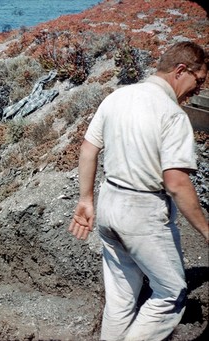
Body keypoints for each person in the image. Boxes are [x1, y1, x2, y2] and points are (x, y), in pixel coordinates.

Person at [68, 41, 208, 340]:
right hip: (142, 211)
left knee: (120, 298)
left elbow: (89, 148)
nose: (198, 89)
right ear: (181, 70)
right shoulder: (172, 114)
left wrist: (86, 200)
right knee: (171, 294)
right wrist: (207, 232)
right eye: (199, 81)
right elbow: (176, 183)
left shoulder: (117, 97)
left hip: (109, 203)